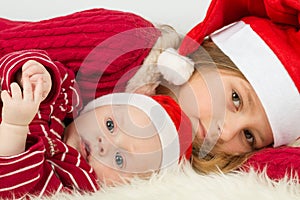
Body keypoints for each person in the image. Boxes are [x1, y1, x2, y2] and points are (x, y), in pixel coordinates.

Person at [0, 50, 193, 199]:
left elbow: (11, 187)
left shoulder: (73, 180)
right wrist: (36, 77)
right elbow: (9, 66)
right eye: (110, 125)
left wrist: (14, 126)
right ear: (101, 104)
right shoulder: (65, 100)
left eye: (120, 159)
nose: (104, 144)